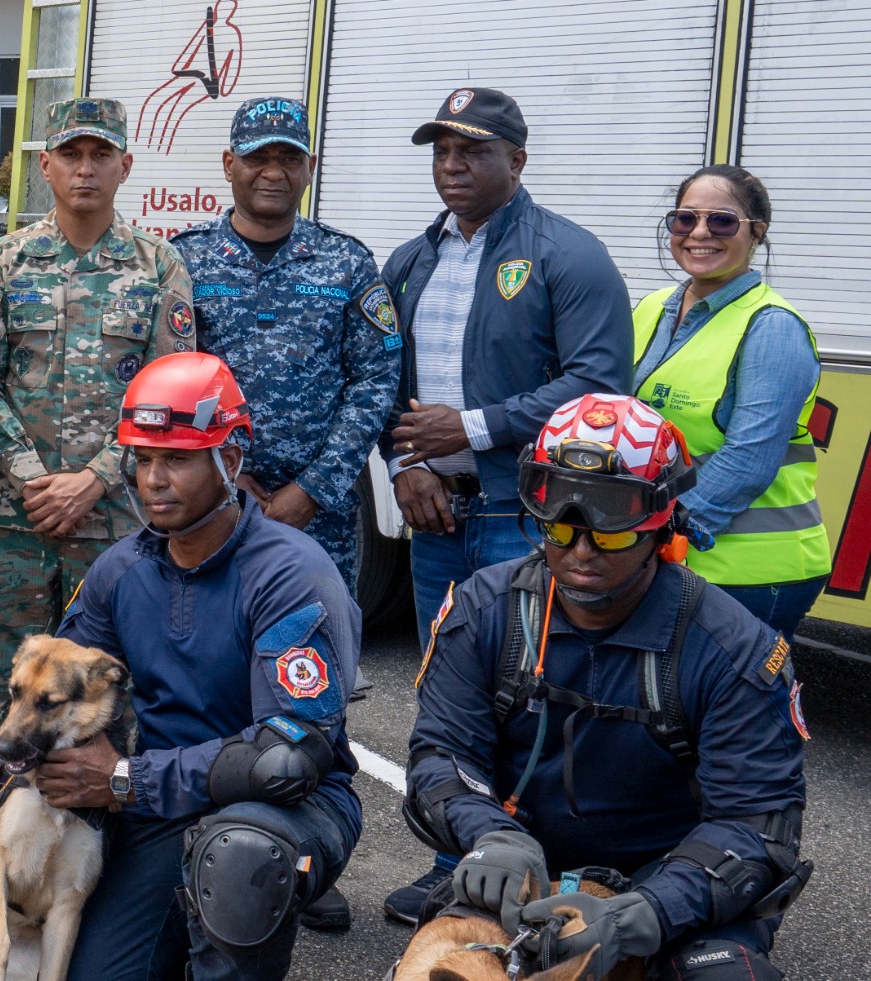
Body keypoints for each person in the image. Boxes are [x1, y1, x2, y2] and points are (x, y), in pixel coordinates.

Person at [0, 354, 363, 981]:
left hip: (286, 808)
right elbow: (44, 687)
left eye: (178, 458)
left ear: (229, 457)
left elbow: (289, 754)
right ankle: (198, 934)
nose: (153, 478)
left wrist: (128, 779)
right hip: (157, 804)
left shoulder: (290, 573)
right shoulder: (122, 568)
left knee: (243, 849)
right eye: (142, 458)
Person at [403, 393, 809, 981]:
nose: (582, 544)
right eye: (559, 515)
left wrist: (644, 914)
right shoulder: (485, 608)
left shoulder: (729, 646)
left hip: (667, 882)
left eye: (614, 517)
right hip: (527, 871)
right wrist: (489, 832)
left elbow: (757, 827)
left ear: (661, 518)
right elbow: (439, 755)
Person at [380, 87, 630, 923]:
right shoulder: (413, 261)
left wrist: (475, 427)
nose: (454, 166)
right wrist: (403, 463)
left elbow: (598, 383)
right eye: (443, 151)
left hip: (528, 521)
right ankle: (461, 866)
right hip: (436, 522)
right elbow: (381, 383)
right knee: (448, 695)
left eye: (474, 151)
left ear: (516, 161)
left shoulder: (569, 255)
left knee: (536, 694)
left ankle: (549, 874)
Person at [0, 97, 197, 693]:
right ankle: (13, 791)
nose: (85, 168)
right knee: (12, 692)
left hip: (120, 524)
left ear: (126, 165)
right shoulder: (3, 262)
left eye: (101, 154)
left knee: (114, 692)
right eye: (70, 154)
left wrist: (94, 479)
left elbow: (167, 399)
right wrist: (31, 479)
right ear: (45, 166)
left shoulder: (160, 266)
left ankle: (111, 791)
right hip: (19, 522)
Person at [170, 98, 400, 591]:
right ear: (230, 164)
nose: (273, 173)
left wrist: (313, 489)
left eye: (290, 159)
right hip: (208, 506)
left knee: (314, 651)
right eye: (258, 158)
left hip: (320, 520)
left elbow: (376, 380)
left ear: (310, 169)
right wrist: (220, 476)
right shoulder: (183, 262)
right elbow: (165, 379)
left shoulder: (347, 262)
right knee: (209, 652)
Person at [631, 166, 830, 636]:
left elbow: (748, 460)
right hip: (669, 551)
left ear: (756, 232)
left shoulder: (772, 326)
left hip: (752, 570)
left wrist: (647, 532)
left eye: (721, 221)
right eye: (685, 220)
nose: (699, 233)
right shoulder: (651, 307)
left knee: (730, 709)